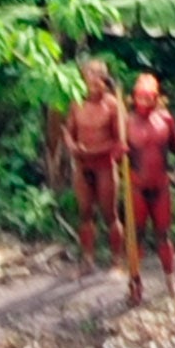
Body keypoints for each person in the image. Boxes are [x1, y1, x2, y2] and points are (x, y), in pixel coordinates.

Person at [127, 73, 175, 306]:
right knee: (136, 235)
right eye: (141, 98)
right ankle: (135, 283)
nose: (145, 103)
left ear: (157, 98)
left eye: (149, 98)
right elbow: (117, 150)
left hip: (160, 187)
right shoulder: (126, 122)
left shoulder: (166, 120)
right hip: (136, 187)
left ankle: (171, 284)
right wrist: (117, 152)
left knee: (163, 235)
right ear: (134, 98)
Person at [63, 57, 127, 274]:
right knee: (85, 214)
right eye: (88, 78)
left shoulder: (112, 105)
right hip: (82, 165)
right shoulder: (76, 102)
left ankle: (116, 261)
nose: (93, 83)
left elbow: (120, 140)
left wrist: (96, 151)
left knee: (110, 215)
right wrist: (72, 146)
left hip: (104, 165)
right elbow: (68, 130)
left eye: (97, 78)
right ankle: (87, 261)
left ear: (104, 80)